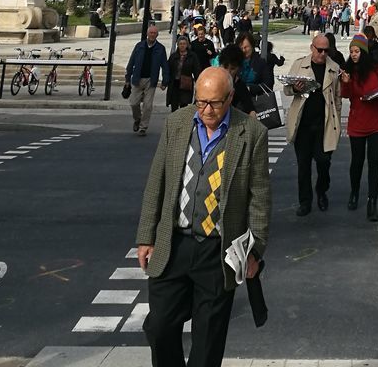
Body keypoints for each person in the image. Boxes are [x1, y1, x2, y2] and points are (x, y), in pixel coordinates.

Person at [136, 66, 271, 367]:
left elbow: (260, 196)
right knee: (158, 328)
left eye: (215, 103)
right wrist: (146, 236)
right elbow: (156, 180)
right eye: (201, 102)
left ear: (231, 97)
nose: (207, 110)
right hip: (174, 245)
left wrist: (256, 249)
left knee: (207, 342)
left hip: (217, 251)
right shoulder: (177, 123)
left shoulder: (251, 134)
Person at [284, 32, 342, 216]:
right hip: (303, 124)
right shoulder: (299, 64)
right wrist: (295, 88)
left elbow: (337, 97)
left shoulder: (334, 67)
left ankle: (322, 191)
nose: (323, 54)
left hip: (324, 124)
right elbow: (286, 89)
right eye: (320, 50)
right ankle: (305, 202)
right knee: (303, 166)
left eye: (326, 50)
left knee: (324, 162)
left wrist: (338, 121)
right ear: (312, 48)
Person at [340, 33, 378, 221]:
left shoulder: (376, 69)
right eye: (351, 51)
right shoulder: (348, 70)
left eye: (356, 51)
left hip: (376, 122)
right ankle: (354, 193)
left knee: (374, 162)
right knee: (357, 161)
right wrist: (345, 83)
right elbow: (346, 95)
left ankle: (372, 200)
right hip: (357, 122)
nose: (353, 54)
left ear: (364, 51)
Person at [125, 22, 169, 137]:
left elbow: (164, 65)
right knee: (133, 103)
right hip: (137, 78)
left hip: (151, 80)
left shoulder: (160, 49)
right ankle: (137, 119)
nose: (152, 35)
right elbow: (131, 62)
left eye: (154, 33)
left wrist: (165, 81)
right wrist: (127, 78)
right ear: (147, 34)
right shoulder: (139, 46)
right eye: (151, 33)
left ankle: (143, 127)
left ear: (157, 35)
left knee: (148, 106)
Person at [167, 35, 197, 112]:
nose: (182, 45)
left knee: (184, 106)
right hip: (175, 84)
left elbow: (197, 69)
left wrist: (198, 82)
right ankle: (174, 122)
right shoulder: (173, 56)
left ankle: (181, 123)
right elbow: (168, 69)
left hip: (185, 84)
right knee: (174, 106)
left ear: (187, 44)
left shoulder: (192, 56)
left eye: (184, 43)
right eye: (180, 44)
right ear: (178, 44)